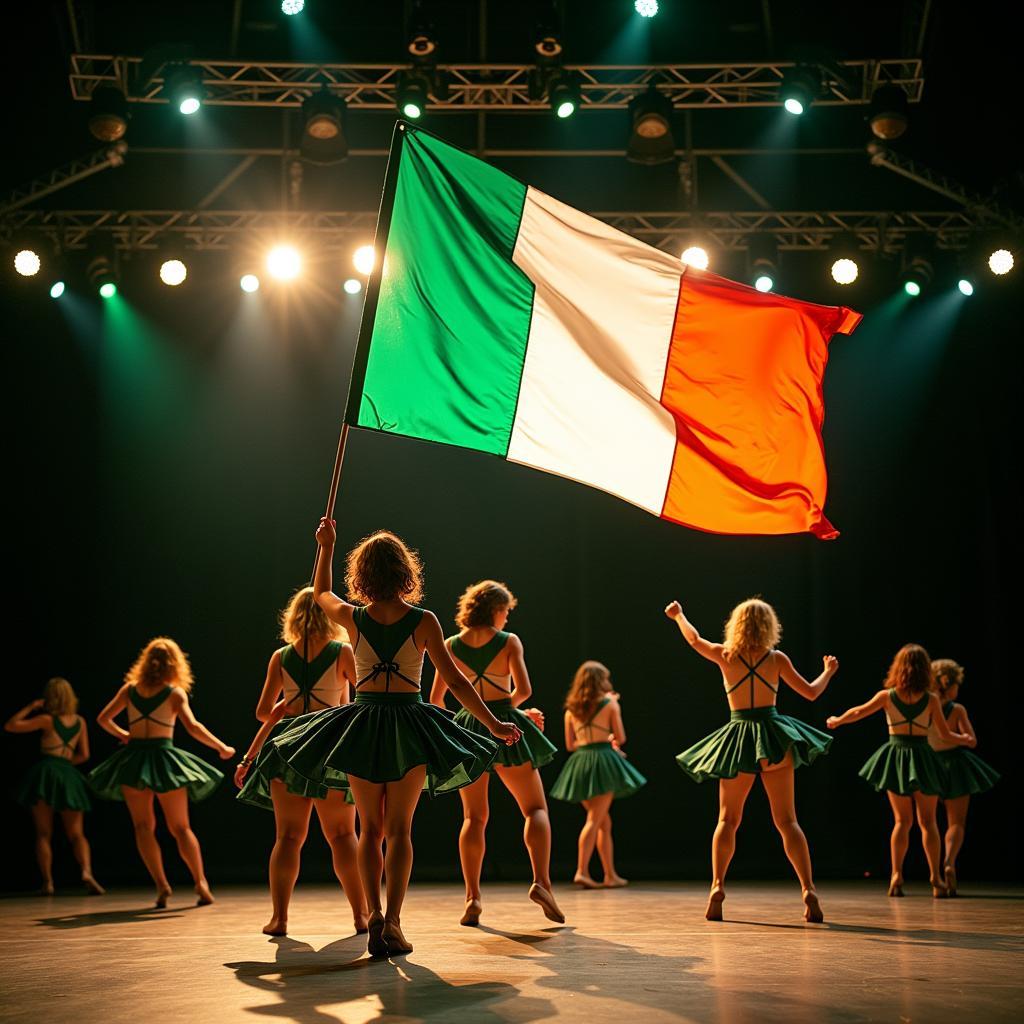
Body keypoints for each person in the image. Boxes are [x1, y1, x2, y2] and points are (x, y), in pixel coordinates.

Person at [258, 523, 521, 957]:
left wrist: (325, 548)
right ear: (405, 573)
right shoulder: (424, 621)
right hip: (408, 726)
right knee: (400, 830)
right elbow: (454, 681)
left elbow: (320, 594)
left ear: (362, 576)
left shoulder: (353, 618)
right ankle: (393, 921)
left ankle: (375, 912)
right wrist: (493, 723)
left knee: (370, 829)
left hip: (362, 725)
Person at [666, 598, 836, 923]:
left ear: (736, 625)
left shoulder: (725, 655)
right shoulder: (776, 659)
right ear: (769, 626)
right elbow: (812, 693)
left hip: (739, 738)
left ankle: (717, 886)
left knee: (727, 820)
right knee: (788, 822)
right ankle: (808, 889)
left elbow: (694, 640)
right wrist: (827, 672)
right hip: (774, 738)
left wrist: (679, 616)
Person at [235, 586, 368, 936]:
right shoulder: (342, 652)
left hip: (287, 750)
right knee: (342, 836)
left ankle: (279, 918)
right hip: (328, 750)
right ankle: (361, 916)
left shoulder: (281, 657)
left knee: (288, 837)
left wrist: (282, 710)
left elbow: (264, 712)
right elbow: (363, 698)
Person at [430, 579, 563, 927]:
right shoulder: (508, 642)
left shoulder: (451, 645)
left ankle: (472, 897)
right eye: (506, 612)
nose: (507, 619)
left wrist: (462, 722)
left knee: (473, 817)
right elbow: (524, 689)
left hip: (467, 729)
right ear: (498, 610)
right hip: (506, 726)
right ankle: (541, 882)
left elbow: (436, 699)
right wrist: (513, 714)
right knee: (534, 808)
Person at [90, 637, 235, 907]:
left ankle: (161, 885)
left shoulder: (129, 690)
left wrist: (125, 735)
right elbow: (192, 727)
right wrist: (221, 747)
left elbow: (102, 719)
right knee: (180, 827)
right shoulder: (173, 693)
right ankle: (200, 882)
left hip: (133, 760)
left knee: (143, 826)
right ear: (175, 664)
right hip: (163, 761)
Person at [827, 643, 972, 898]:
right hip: (923, 759)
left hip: (896, 759)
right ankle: (936, 878)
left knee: (901, 821)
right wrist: (966, 740)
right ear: (925, 671)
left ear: (899, 667)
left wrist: (838, 720)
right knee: (928, 822)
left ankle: (896, 875)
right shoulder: (931, 699)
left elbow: (860, 711)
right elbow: (944, 733)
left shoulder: (888, 696)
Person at [549, 660, 646, 889]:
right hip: (602, 761)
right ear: (600, 681)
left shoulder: (571, 709)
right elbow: (620, 738)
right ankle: (582, 871)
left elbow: (570, 745)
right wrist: (609, 733)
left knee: (603, 822)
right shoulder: (610, 704)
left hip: (580, 763)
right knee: (595, 820)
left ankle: (610, 874)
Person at [6, 678, 104, 895]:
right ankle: (87, 871)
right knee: (77, 834)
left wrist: (31, 706)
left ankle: (48, 882)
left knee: (43, 833)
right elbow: (84, 755)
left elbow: (11, 726)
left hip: (46, 773)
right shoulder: (80, 722)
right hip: (68, 774)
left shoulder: (46, 720)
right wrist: (66, 766)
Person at [929, 658, 1000, 895]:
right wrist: (962, 739)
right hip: (955, 766)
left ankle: (931, 872)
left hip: (929, 764)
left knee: (927, 822)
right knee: (956, 822)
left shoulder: (925, 705)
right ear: (950, 685)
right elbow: (971, 740)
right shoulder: (957, 709)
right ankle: (949, 861)